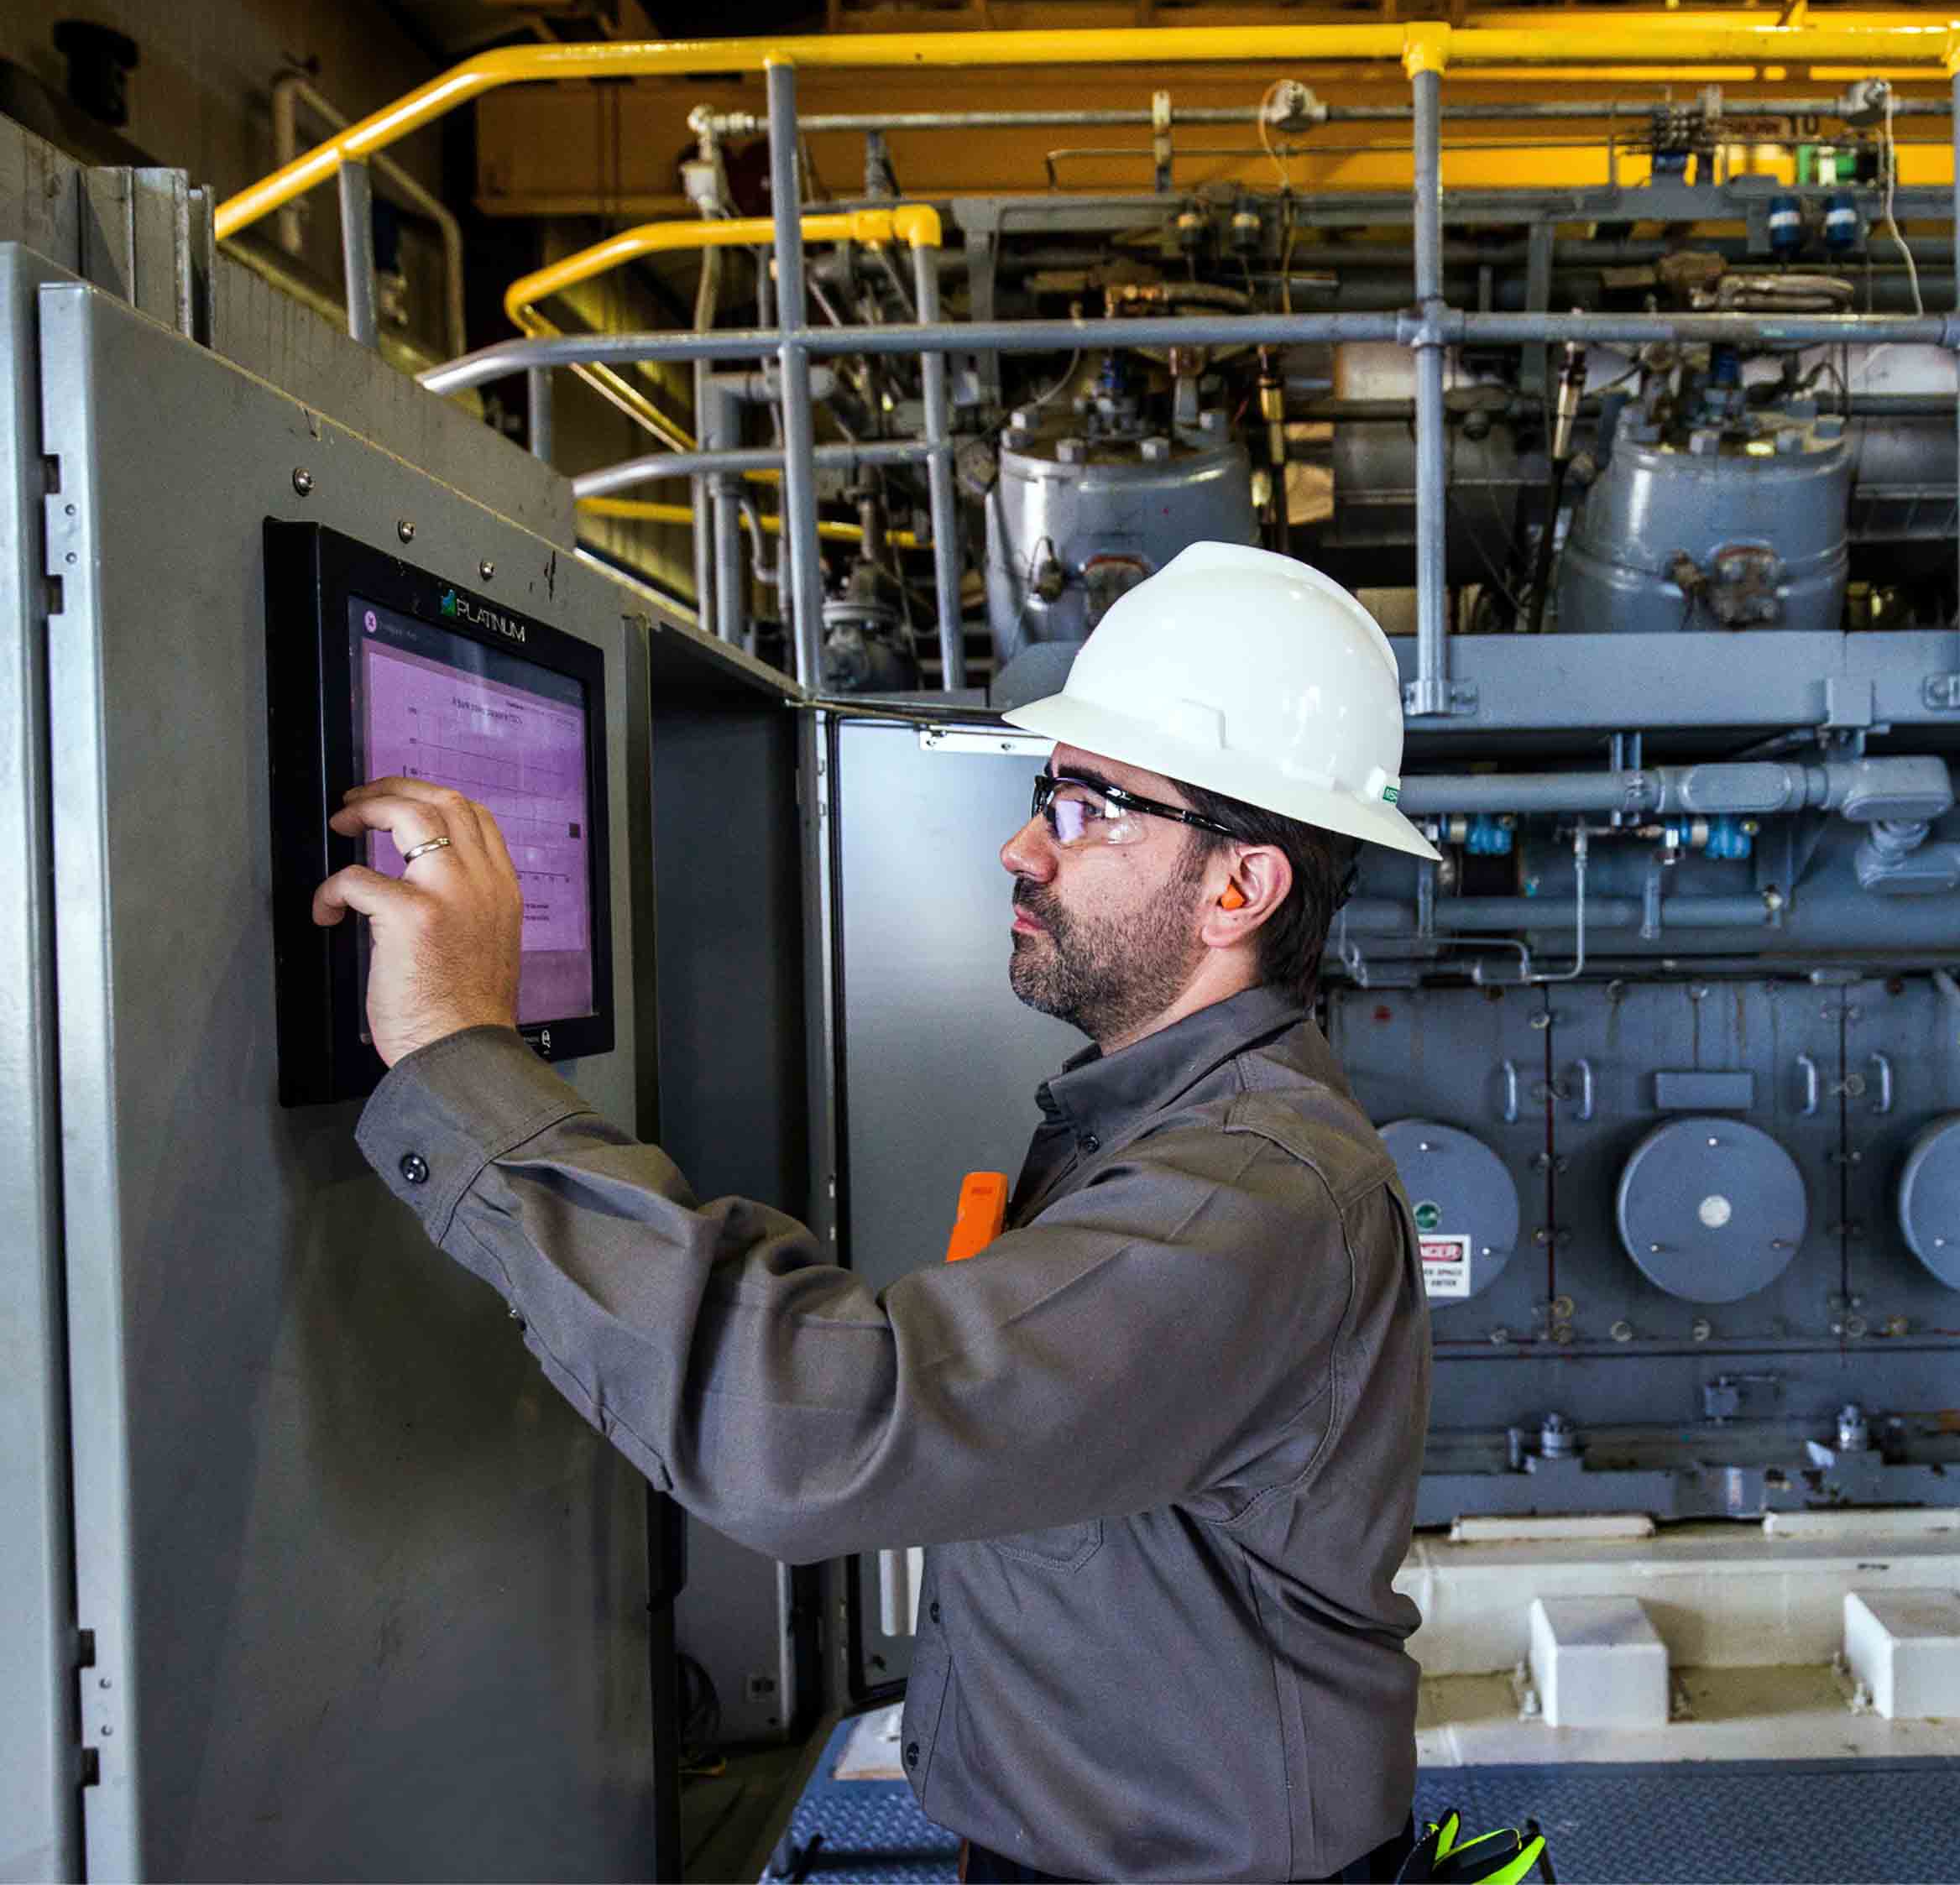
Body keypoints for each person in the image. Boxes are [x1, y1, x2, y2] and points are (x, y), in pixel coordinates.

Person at [314, 542, 1442, 1883]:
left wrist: (463, 1061)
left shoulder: (1249, 1189)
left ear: (1237, 889)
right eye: (1046, 794)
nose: (1023, 846)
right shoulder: (1157, 1124)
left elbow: (826, 1426)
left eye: (1087, 808)